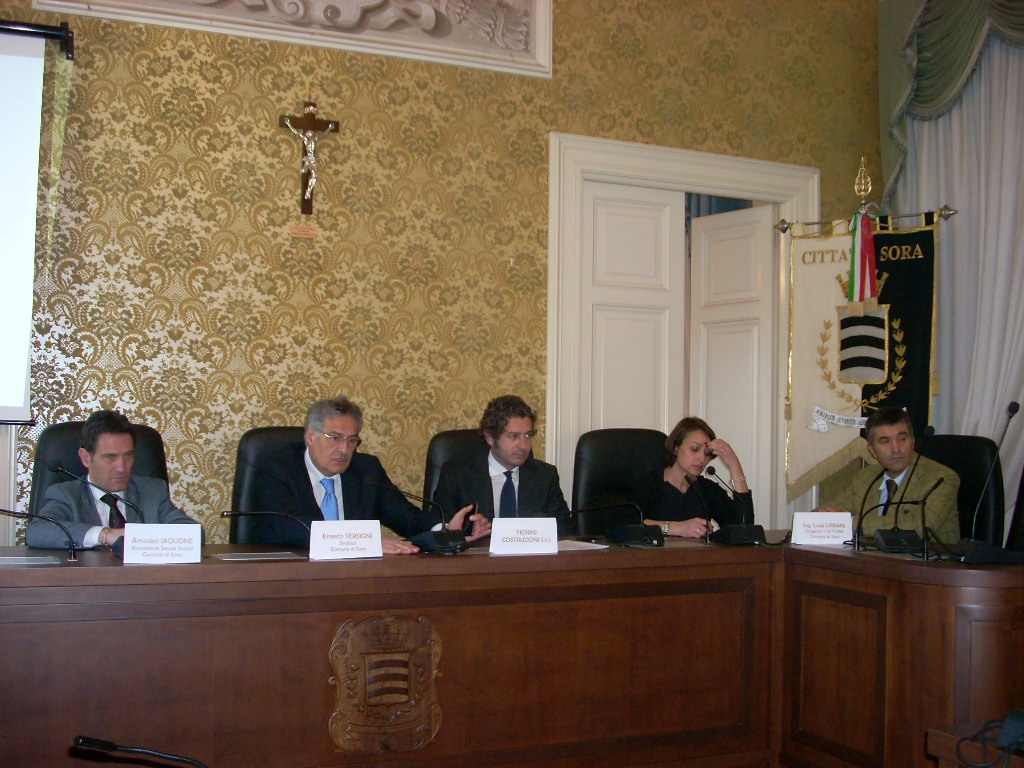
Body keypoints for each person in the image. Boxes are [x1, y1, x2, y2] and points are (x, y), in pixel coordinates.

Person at [247, 396, 489, 554]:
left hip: (358, 579)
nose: (344, 449)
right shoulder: (276, 467)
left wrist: (447, 530)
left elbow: (408, 519)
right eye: (335, 438)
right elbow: (289, 529)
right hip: (291, 577)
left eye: (352, 440)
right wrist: (365, 543)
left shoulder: (365, 470)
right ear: (311, 436)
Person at [26, 410, 201, 549]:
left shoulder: (152, 491)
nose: (121, 467)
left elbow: (195, 534)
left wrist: (142, 538)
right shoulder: (65, 494)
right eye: (110, 457)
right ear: (86, 458)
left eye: (128, 455)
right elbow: (37, 532)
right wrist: (105, 534)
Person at [816, 406, 960, 544]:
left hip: (928, 560)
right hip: (874, 558)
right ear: (872, 450)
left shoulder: (941, 478)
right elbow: (824, 513)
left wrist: (848, 523)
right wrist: (816, 521)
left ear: (912, 442)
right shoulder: (866, 476)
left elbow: (919, 527)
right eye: (885, 442)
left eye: (902, 439)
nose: (896, 448)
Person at [433, 394, 572, 535]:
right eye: (513, 436)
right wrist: (464, 533)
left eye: (528, 435)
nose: (523, 446)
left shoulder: (545, 476)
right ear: (490, 437)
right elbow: (441, 527)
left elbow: (565, 530)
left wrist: (545, 528)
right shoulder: (457, 475)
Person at [630, 416, 753, 537]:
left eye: (707, 454)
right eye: (694, 449)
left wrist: (734, 464)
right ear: (676, 448)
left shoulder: (707, 490)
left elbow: (744, 530)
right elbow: (627, 523)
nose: (702, 458)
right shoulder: (649, 483)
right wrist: (677, 528)